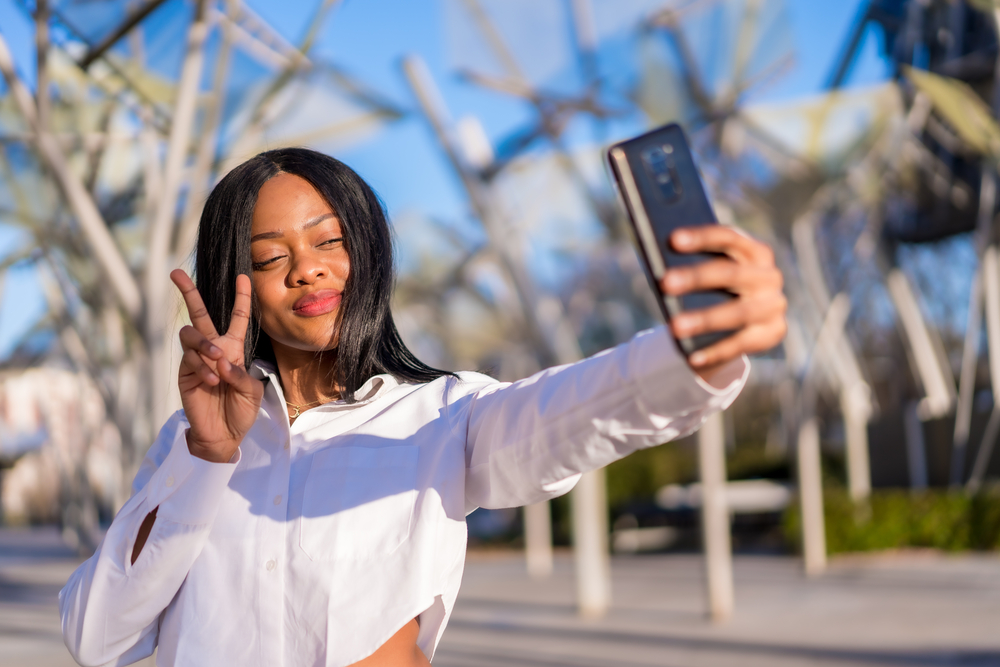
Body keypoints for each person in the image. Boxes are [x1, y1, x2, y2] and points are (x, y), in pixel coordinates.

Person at [59, 147, 786, 667]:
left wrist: (695, 352)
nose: (306, 268)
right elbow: (96, 637)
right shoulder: (189, 446)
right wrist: (204, 458)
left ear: (367, 250)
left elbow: (562, 418)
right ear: (235, 279)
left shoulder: (441, 416)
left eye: (328, 241)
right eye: (271, 256)